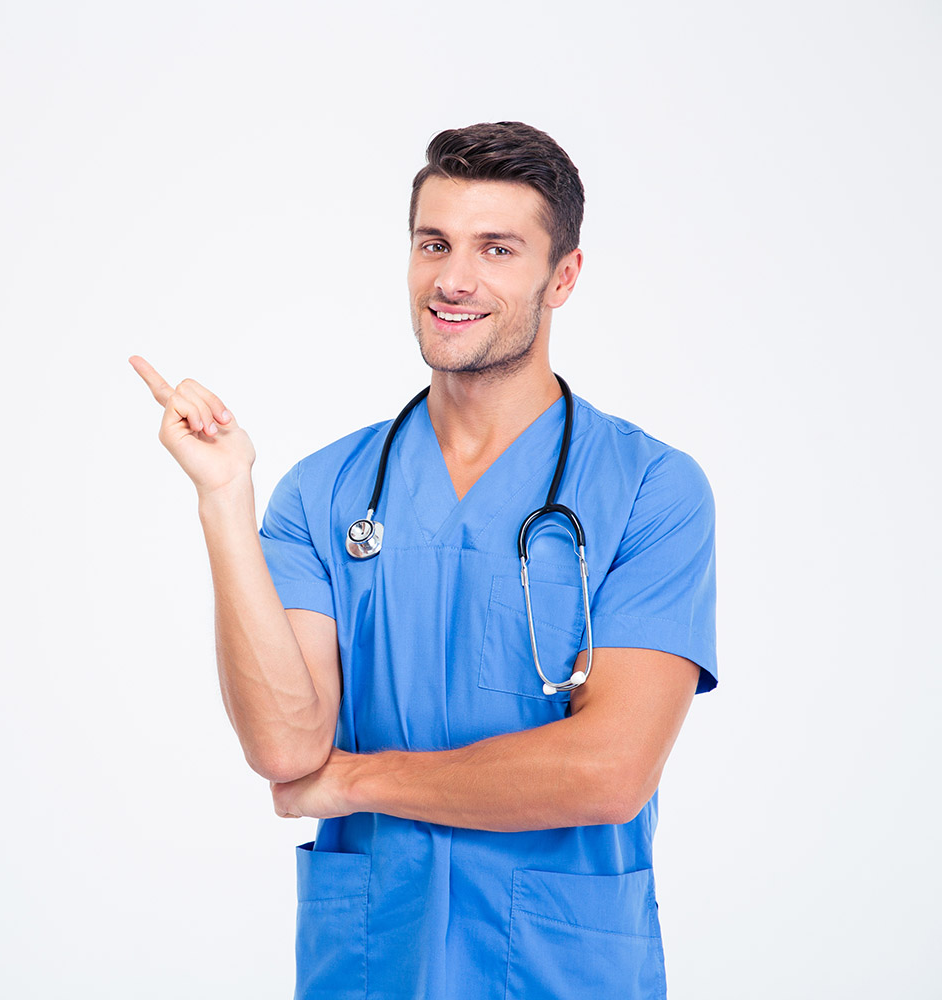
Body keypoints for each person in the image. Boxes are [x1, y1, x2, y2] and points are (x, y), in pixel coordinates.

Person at [131, 121, 716, 1000]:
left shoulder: (651, 490)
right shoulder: (325, 492)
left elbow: (607, 771)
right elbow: (287, 744)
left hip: (560, 968)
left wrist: (356, 780)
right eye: (434, 244)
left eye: (498, 249)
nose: (453, 278)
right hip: (374, 963)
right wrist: (224, 498)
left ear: (564, 277)